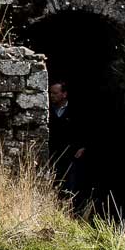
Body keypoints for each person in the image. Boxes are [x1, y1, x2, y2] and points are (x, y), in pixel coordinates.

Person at [48, 79, 88, 208]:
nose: (51, 96)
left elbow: (86, 129)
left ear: (64, 94)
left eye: (55, 93)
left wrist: (82, 147)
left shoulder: (76, 110)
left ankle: (74, 211)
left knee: (72, 185)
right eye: (50, 93)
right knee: (54, 183)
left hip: (72, 155)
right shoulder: (47, 111)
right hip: (53, 154)